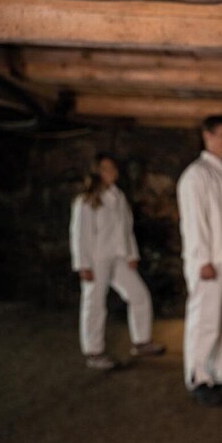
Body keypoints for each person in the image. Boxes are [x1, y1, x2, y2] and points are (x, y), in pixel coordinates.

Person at [177, 116, 222, 407]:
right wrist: (202, 259)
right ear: (207, 136)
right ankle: (198, 376)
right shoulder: (196, 175)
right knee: (205, 321)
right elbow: (194, 222)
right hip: (210, 260)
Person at [70, 153, 165, 370]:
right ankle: (94, 351)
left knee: (139, 295)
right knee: (95, 303)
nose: (111, 172)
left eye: (112, 168)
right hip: (97, 259)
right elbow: (80, 234)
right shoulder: (86, 200)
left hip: (119, 256)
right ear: (96, 172)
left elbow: (126, 227)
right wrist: (83, 264)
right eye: (105, 168)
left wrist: (131, 254)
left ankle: (142, 341)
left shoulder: (118, 196)